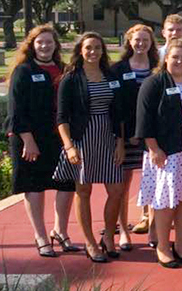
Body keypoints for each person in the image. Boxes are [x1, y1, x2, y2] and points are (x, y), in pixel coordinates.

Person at [136, 39, 182, 268]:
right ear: (166, 57)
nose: (179, 61)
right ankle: (163, 246)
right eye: (175, 56)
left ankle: (181, 245)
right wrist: (154, 148)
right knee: (166, 201)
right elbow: (144, 119)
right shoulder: (154, 83)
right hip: (166, 150)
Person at [6, 25, 78, 258]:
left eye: (49, 42)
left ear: (56, 45)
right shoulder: (23, 71)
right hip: (30, 140)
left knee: (66, 184)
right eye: (40, 42)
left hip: (59, 138)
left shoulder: (64, 70)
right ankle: (41, 236)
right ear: (32, 45)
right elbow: (16, 110)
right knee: (35, 186)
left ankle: (61, 231)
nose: (45, 46)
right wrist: (28, 140)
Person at [53, 32, 125, 263]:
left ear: (103, 51)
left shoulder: (111, 75)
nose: (93, 52)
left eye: (97, 47)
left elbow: (119, 113)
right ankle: (90, 243)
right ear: (80, 51)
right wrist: (69, 147)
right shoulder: (71, 78)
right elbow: (61, 117)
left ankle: (109, 238)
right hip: (82, 139)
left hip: (108, 137)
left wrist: (120, 142)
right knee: (83, 192)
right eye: (88, 48)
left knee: (116, 191)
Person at [111, 24, 160, 251]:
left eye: (145, 40)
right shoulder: (118, 69)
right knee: (122, 185)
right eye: (137, 40)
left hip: (153, 136)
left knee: (153, 183)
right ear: (129, 42)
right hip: (126, 135)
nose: (141, 44)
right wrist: (122, 137)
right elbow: (116, 106)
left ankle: (153, 227)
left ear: (151, 43)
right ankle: (123, 231)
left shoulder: (159, 67)